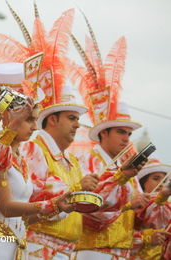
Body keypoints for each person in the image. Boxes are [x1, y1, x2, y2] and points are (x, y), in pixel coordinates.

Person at [0, 62, 75, 260]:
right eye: (29, 119)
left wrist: (59, 207)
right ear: (10, 115)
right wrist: (51, 205)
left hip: (16, 243)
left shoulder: (23, 158)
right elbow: (7, 207)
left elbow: (23, 213)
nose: (35, 127)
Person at [70, 32, 150, 259]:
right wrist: (126, 198)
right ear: (103, 133)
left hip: (122, 252)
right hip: (92, 251)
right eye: (120, 132)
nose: (126, 138)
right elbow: (88, 211)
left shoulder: (129, 170)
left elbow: (138, 216)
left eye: (128, 133)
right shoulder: (88, 162)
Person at [130, 158, 171, 259]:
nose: (161, 184)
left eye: (164, 180)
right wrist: (147, 238)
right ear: (144, 182)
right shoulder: (132, 202)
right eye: (156, 178)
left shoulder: (167, 206)